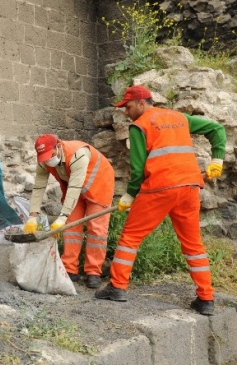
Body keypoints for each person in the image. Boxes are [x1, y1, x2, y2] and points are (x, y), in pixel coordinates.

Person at [95, 85, 226, 316]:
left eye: (128, 106)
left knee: (130, 237)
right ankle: (206, 299)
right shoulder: (179, 117)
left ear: (142, 103)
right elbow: (216, 129)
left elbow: (137, 168)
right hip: (189, 187)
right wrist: (217, 158)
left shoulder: (140, 125)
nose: (126, 111)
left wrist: (130, 195)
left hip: (159, 188)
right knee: (193, 244)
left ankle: (117, 287)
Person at [24, 134, 115, 289]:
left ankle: (93, 272)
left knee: (96, 229)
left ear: (58, 146)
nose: (48, 160)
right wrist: (32, 216)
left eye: (50, 155)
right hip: (75, 190)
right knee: (70, 227)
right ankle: (69, 269)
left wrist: (61, 218)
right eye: (44, 157)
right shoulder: (43, 160)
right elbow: (39, 186)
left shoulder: (78, 154)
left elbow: (75, 187)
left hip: (99, 185)